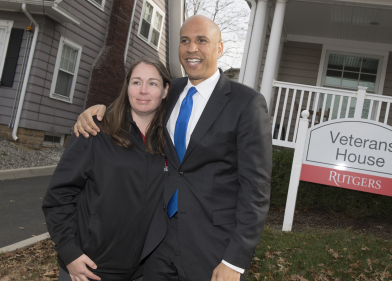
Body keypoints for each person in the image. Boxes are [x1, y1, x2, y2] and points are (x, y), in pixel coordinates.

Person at [74, 15, 272, 281]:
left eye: (202, 41)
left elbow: (256, 190)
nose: (192, 48)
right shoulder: (169, 91)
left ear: (219, 48)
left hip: (212, 245)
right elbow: (133, 107)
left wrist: (235, 261)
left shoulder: (246, 103)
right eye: (185, 41)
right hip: (157, 240)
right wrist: (98, 112)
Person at [42, 56, 171, 281]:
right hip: (88, 269)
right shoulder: (95, 129)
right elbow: (58, 196)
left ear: (165, 90)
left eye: (152, 83)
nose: (143, 90)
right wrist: (69, 252)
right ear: (127, 86)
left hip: (141, 273)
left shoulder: (170, 142)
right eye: (136, 82)